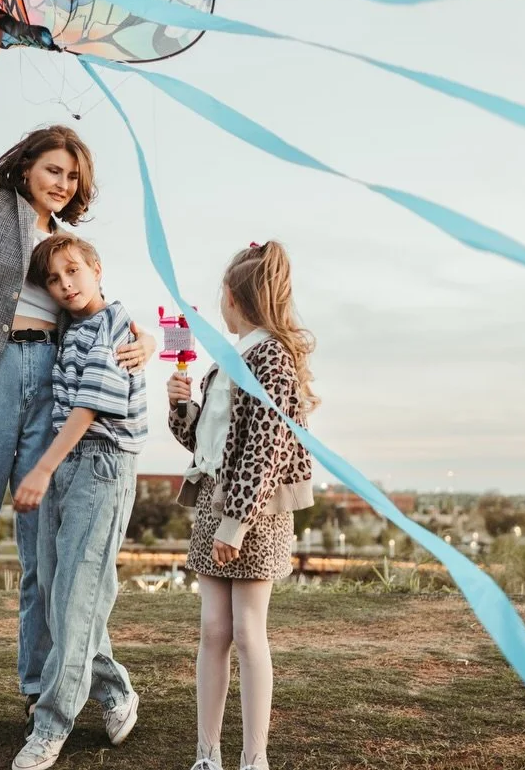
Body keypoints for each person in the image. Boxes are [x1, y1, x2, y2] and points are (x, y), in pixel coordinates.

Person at [0, 20, 155, 752]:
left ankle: (34, 686)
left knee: (39, 556)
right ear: (27, 167)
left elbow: (100, 315)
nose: (63, 180)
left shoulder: (69, 255)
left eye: (72, 175)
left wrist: (138, 338)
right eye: (54, 168)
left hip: (50, 391)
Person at [165, 241, 319, 770]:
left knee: (249, 632)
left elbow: (266, 447)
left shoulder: (272, 357)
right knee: (213, 630)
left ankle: (255, 760)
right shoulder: (228, 362)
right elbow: (206, 444)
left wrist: (236, 524)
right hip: (214, 499)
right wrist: (180, 404)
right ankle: (207, 755)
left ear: (232, 298)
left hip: (255, 511)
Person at [10, 233, 145, 770]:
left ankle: (51, 725)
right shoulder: (69, 325)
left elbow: (90, 405)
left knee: (76, 596)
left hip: (100, 463)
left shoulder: (115, 324)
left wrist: (40, 467)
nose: (65, 285)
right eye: (54, 279)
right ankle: (114, 691)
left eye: (73, 272)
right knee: (57, 591)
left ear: (96, 267)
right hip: (64, 463)